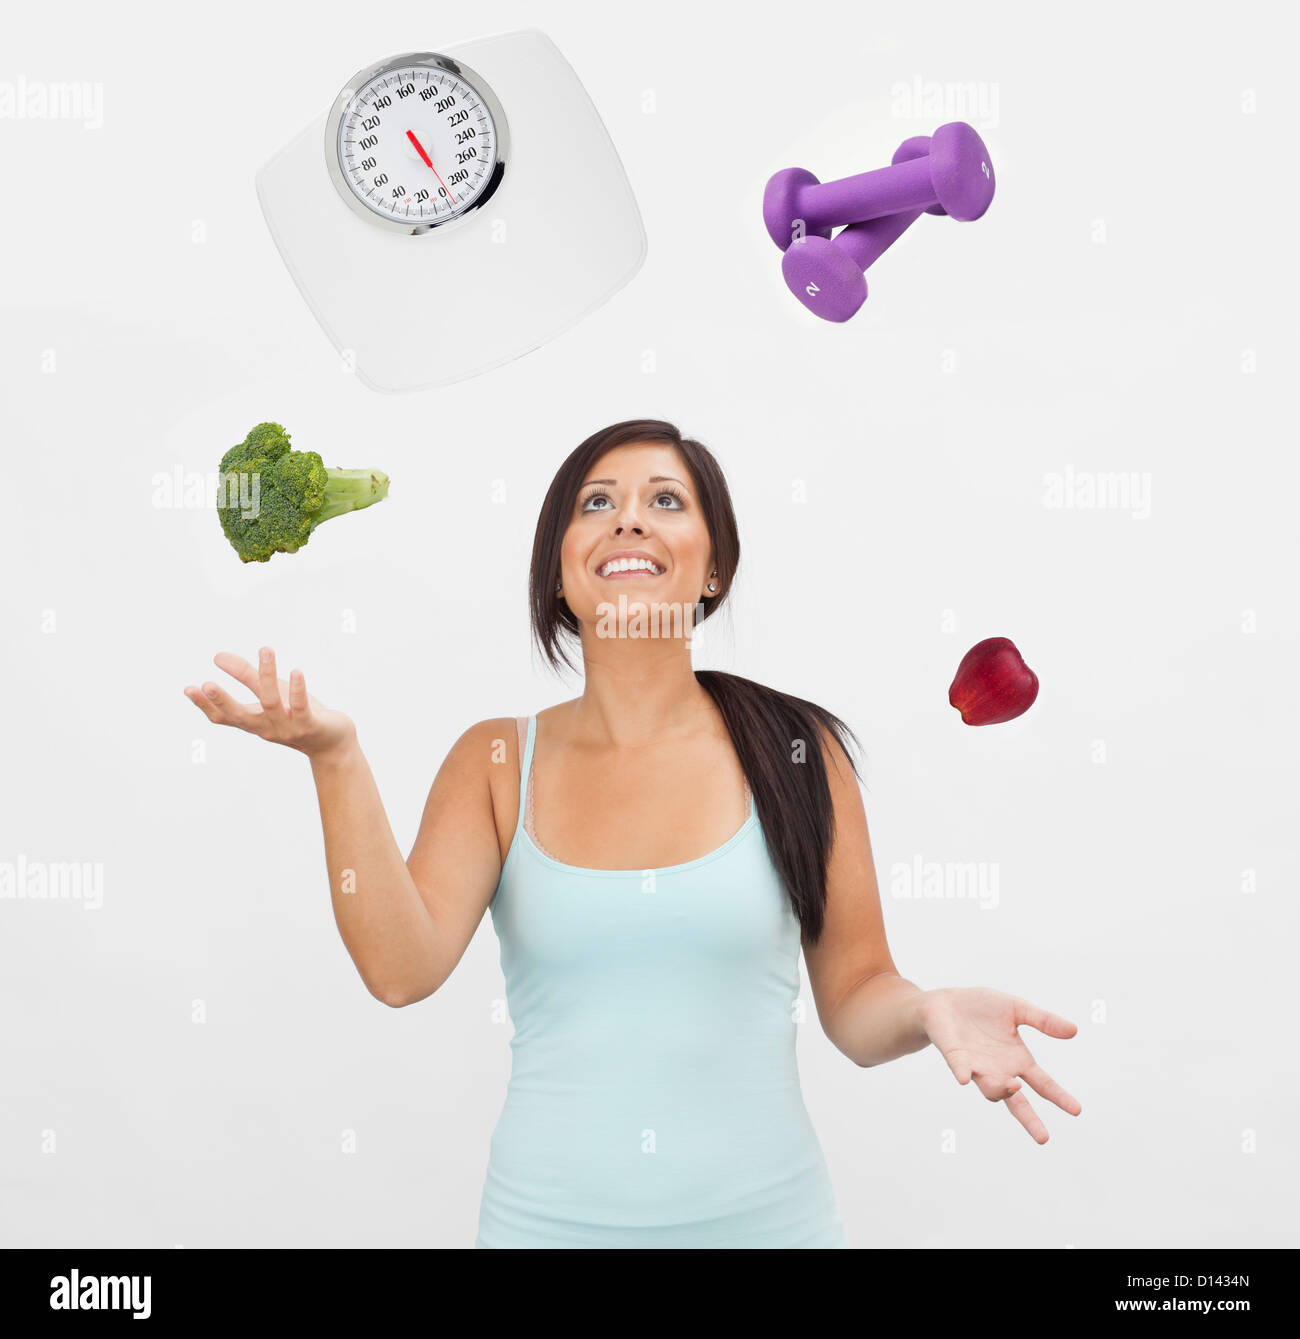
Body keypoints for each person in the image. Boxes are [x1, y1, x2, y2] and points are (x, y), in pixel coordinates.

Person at [184, 418, 1082, 1248]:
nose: (628, 523)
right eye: (596, 504)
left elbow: (855, 995)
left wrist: (927, 1009)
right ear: (559, 568)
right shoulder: (497, 761)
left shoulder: (797, 750)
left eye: (666, 501)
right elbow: (399, 968)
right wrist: (334, 758)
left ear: (714, 567)